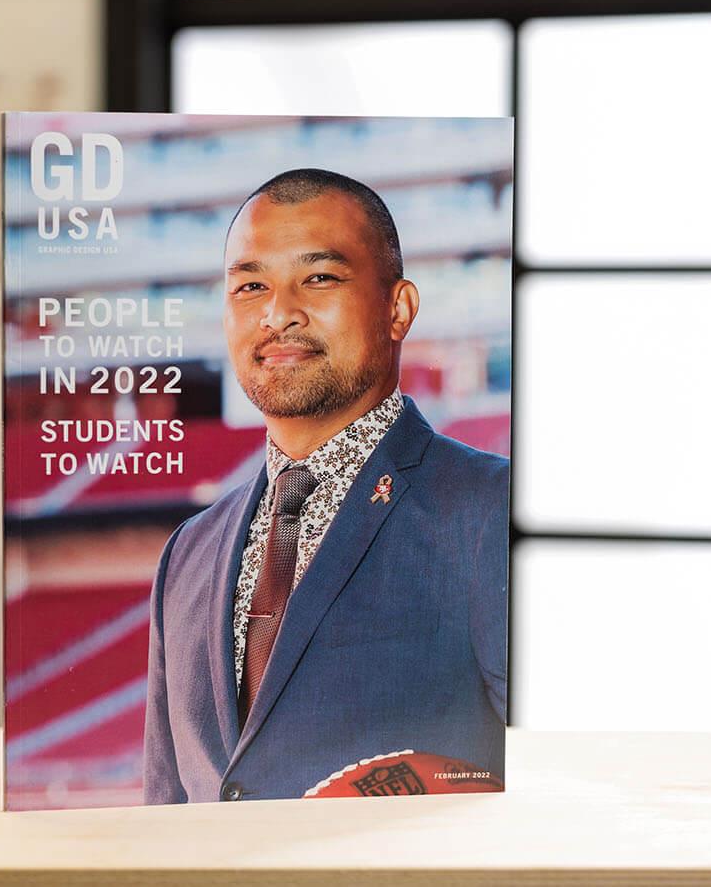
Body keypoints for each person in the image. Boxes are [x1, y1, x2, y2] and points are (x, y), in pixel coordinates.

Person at [142, 168, 510, 803]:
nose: (278, 314)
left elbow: (559, 793)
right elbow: (165, 814)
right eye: (250, 286)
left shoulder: (487, 511)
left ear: (399, 309)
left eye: (319, 278)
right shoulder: (186, 554)